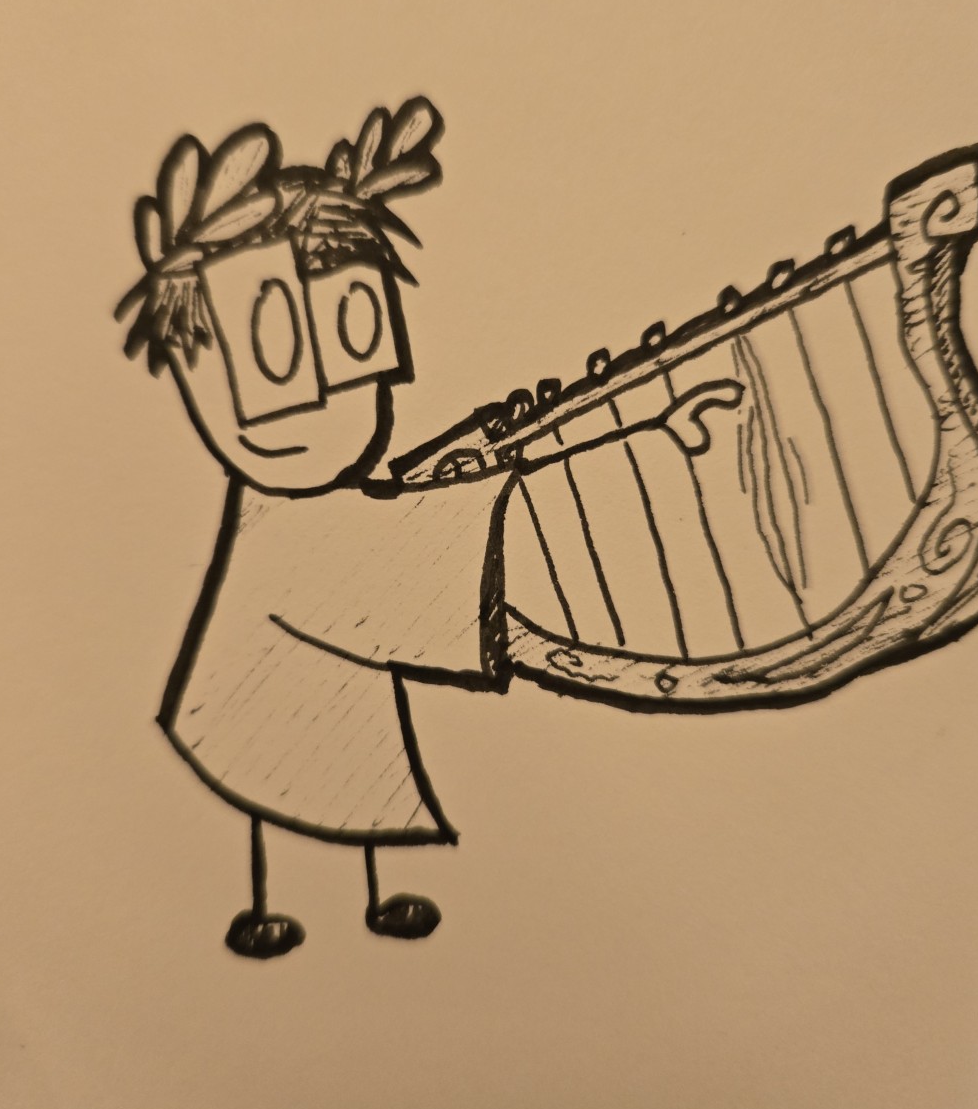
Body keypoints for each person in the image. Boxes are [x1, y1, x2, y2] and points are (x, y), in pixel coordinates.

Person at [117, 97, 740, 958]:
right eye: (276, 351)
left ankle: (364, 892)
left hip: (314, 687)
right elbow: (413, 549)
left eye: (355, 331)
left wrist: (483, 463)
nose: (328, 399)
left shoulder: (314, 514)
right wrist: (627, 440)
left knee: (341, 770)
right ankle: (268, 903)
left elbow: (395, 521)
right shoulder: (291, 532)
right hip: (253, 696)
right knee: (275, 773)